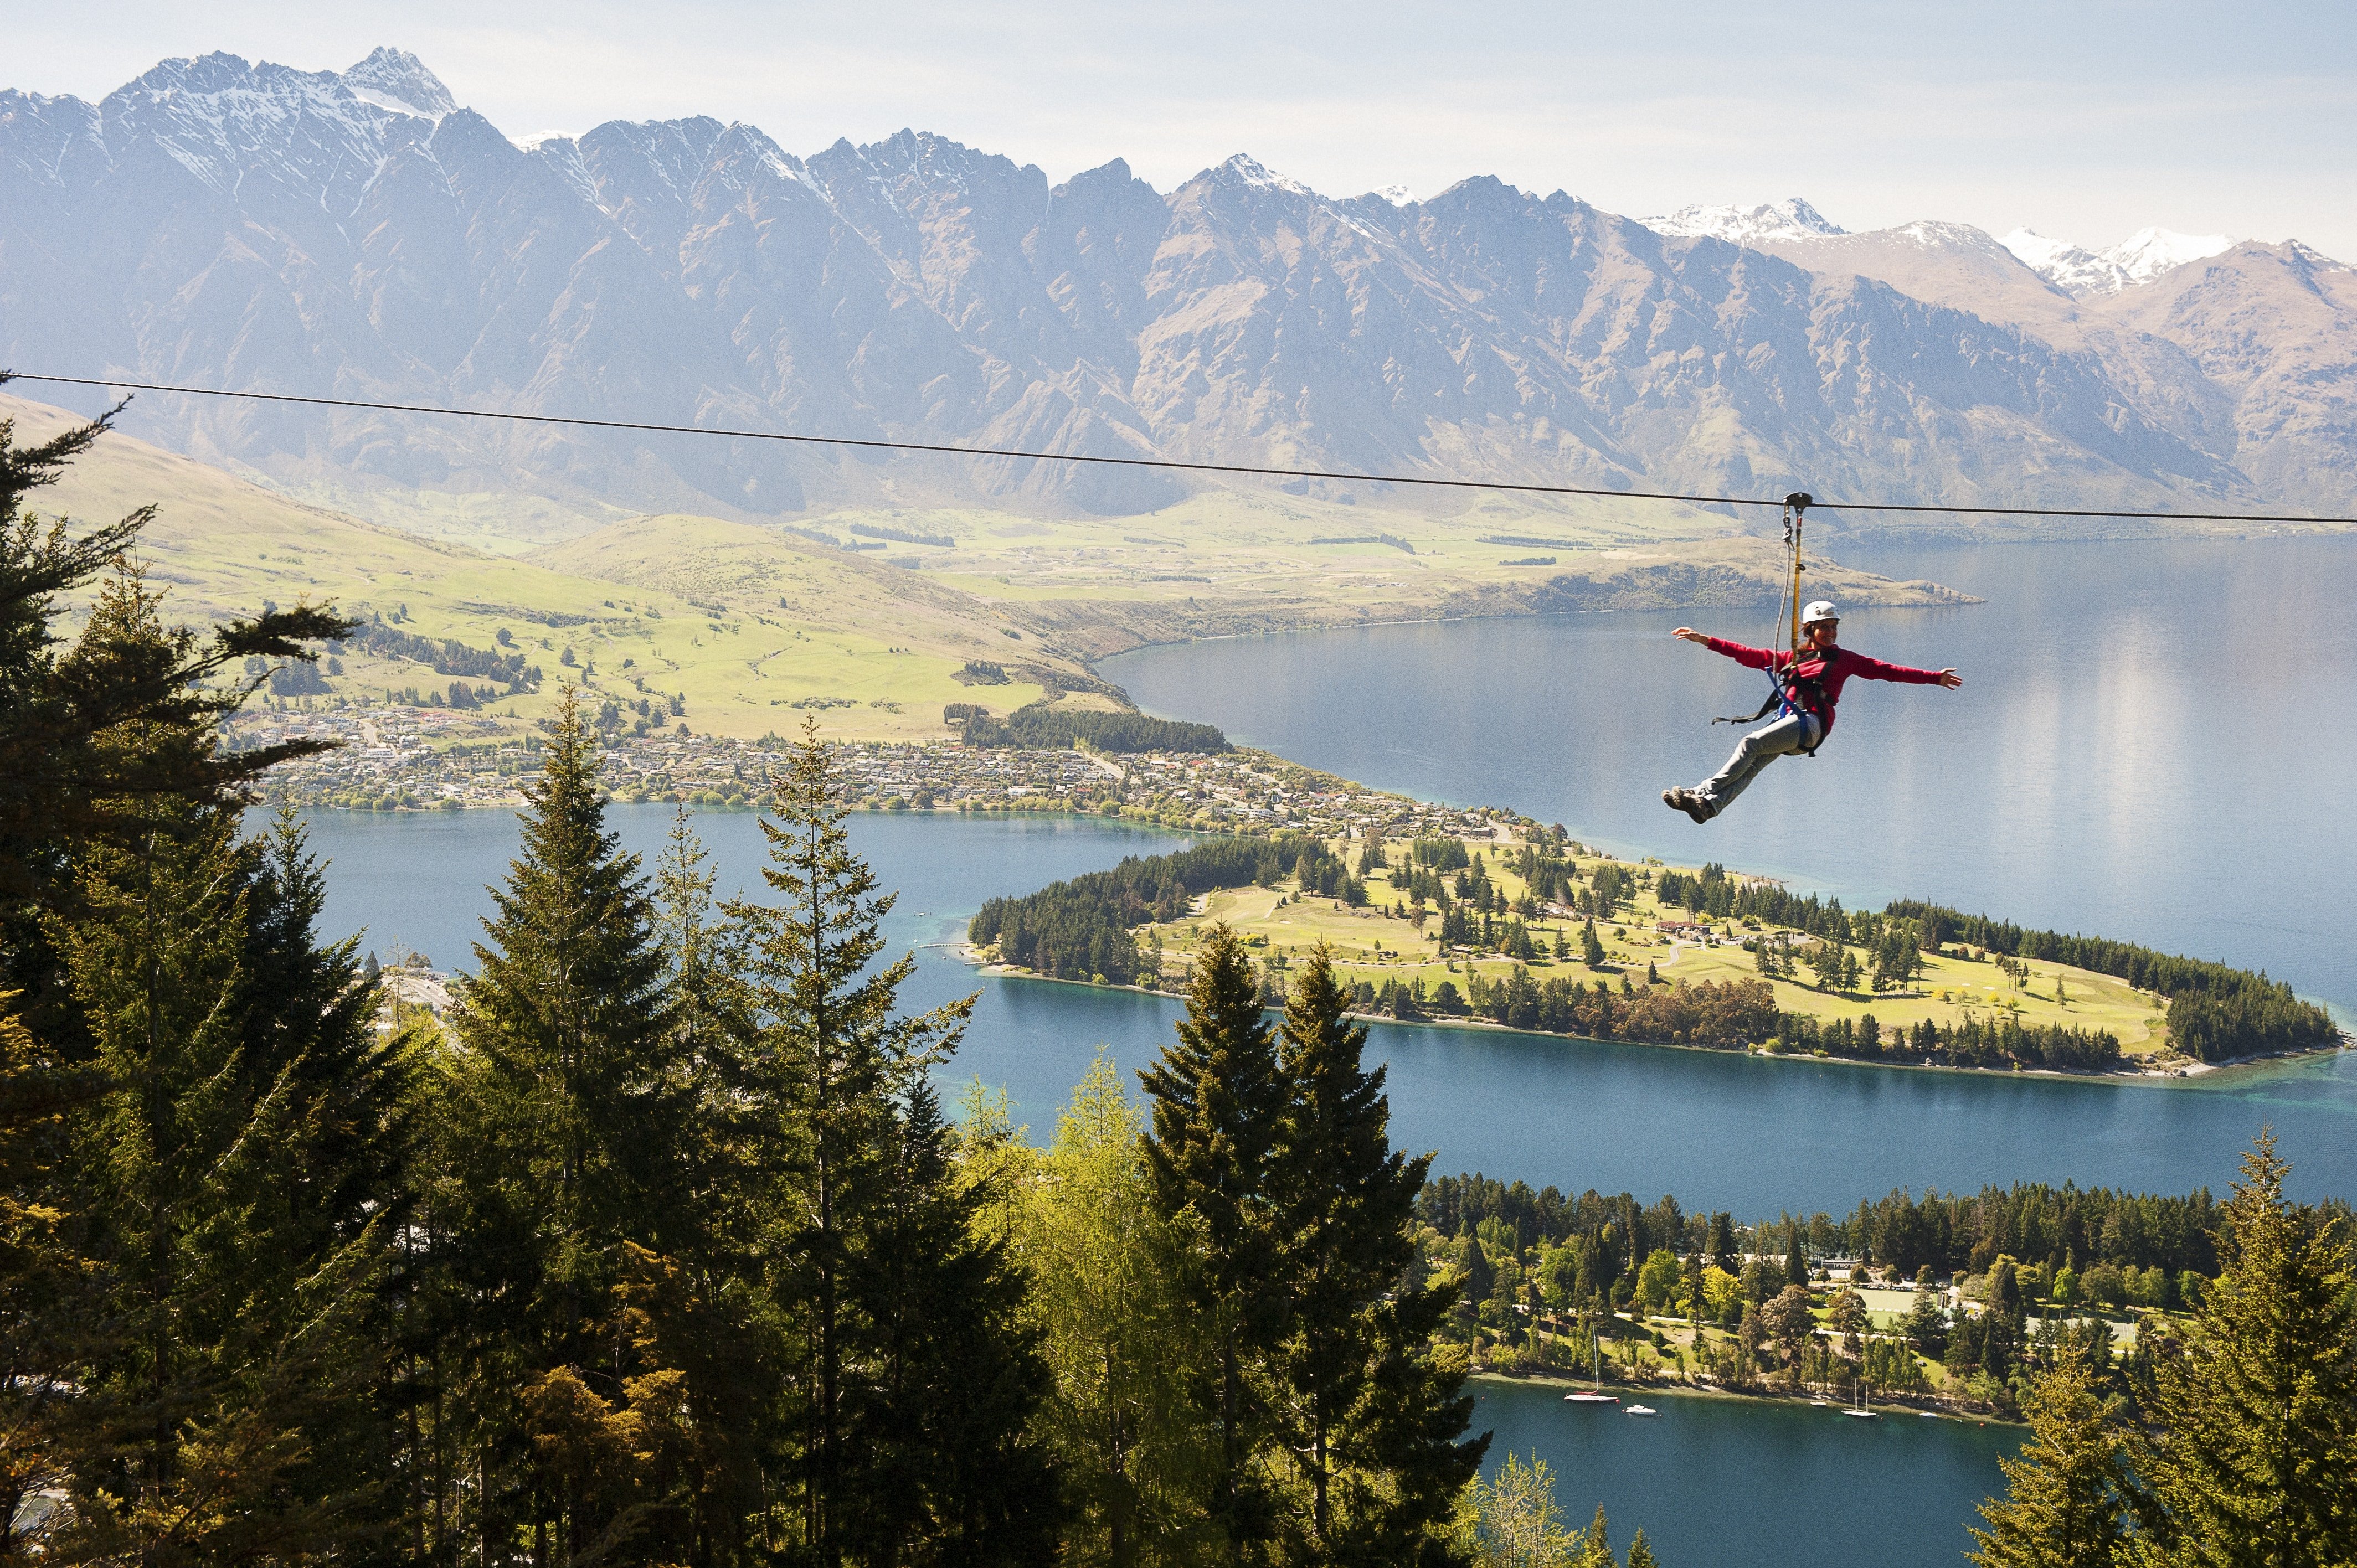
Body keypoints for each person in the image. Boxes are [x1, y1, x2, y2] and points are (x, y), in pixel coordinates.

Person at [1663, 600, 1961, 823]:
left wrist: (1934, 677)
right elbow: (1751, 656)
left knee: (1750, 744)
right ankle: (1711, 807)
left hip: (1811, 724)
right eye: (1825, 627)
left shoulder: (1845, 660)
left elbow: (1888, 671)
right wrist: (1706, 641)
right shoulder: (1794, 657)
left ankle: (1701, 792)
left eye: (1834, 627)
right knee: (1752, 765)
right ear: (1811, 630)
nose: (1831, 632)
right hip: (1792, 725)